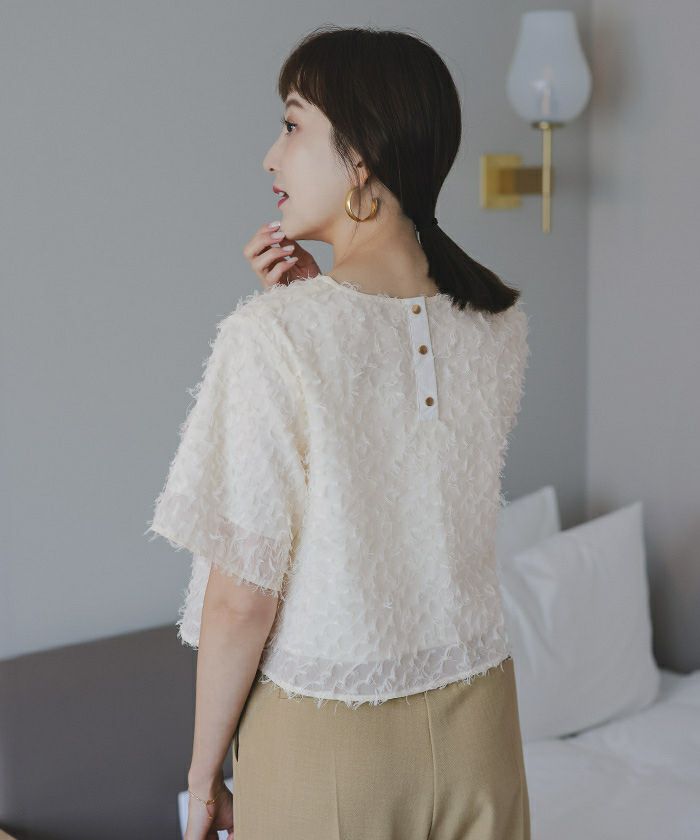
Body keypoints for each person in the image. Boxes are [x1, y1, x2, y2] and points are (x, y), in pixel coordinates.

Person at [146, 24, 531, 840]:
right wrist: (314, 302)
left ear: (360, 157)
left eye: (292, 126)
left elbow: (241, 600)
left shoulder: (273, 338)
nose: (271, 157)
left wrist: (203, 770)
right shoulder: (497, 324)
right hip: (483, 730)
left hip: (327, 745)